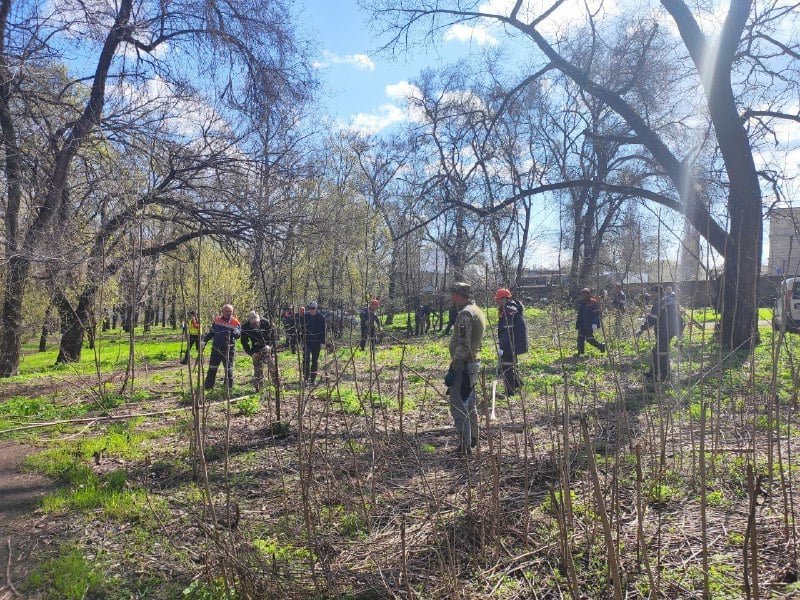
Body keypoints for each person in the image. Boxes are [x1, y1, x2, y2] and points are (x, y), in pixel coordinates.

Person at [444, 282, 487, 455]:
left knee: (459, 407)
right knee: (470, 404)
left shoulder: (465, 314)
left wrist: (454, 367)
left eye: (454, 294)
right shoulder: (477, 310)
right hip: (473, 363)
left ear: (457, 295)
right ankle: (474, 438)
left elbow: (463, 344)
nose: (452, 298)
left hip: (464, 365)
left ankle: (465, 446)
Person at [637, 285, 682, 382]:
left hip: (664, 331)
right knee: (658, 352)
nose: (651, 295)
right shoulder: (669, 300)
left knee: (661, 353)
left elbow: (652, 319)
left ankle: (663, 376)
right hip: (671, 330)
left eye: (652, 293)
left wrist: (642, 328)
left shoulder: (659, 302)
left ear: (657, 293)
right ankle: (654, 373)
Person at [495, 288, 528, 397]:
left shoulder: (508, 309)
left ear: (504, 298)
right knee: (511, 364)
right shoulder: (510, 307)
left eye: (498, 299)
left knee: (507, 366)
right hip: (514, 342)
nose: (497, 301)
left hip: (510, 343)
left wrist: (502, 347)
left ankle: (510, 391)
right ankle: (517, 385)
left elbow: (507, 329)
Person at [203, 304, 241, 391]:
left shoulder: (235, 322)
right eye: (226, 311)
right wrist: (204, 341)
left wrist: (236, 331)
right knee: (212, 368)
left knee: (228, 370)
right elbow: (211, 332)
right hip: (216, 349)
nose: (228, 313)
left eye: (230, 312)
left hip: (228, 350)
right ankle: (208, 387)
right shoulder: (217, 320)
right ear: (222, 312)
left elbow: (238, 336)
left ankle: (228, 388)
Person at [241, 310, 276, 392]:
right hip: (255, 348)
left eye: (256, 322)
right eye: (253, 323)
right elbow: (244, 342)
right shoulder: (245, 327)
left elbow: (275, 337)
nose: (255, 325)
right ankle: (258, 387)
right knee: (257, 369)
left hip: (267, 347)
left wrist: (270, 347)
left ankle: (277, 385)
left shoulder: (267, 323)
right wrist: (251, 353)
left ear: (259, 319)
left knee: (273, 366)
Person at [575, 288, 606, 356]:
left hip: (589, 324)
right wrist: (578, 324)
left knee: (589, 339)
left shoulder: (593, 302)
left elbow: (597, 314)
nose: (583, 296)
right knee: (580, 338)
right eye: (582, 294)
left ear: (588, 294)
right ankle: (581, 354)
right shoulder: (582, 302)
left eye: (585, 294)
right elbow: (580, 314)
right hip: (582, 324)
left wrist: (595, 324)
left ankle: (601, 346)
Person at [301, 301, 326, 384]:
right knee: (306, 360)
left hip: (317, 343)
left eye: (313, 308)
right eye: (310, 308)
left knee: (315, 361)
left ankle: (313, 379)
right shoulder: (305, 317)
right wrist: (301, 341)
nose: (311, 310)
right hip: (307, 342)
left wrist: (323, 342)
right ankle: (305, 378)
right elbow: (301, 330)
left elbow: (323, 331)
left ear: (316, 308)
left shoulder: (321, 317)